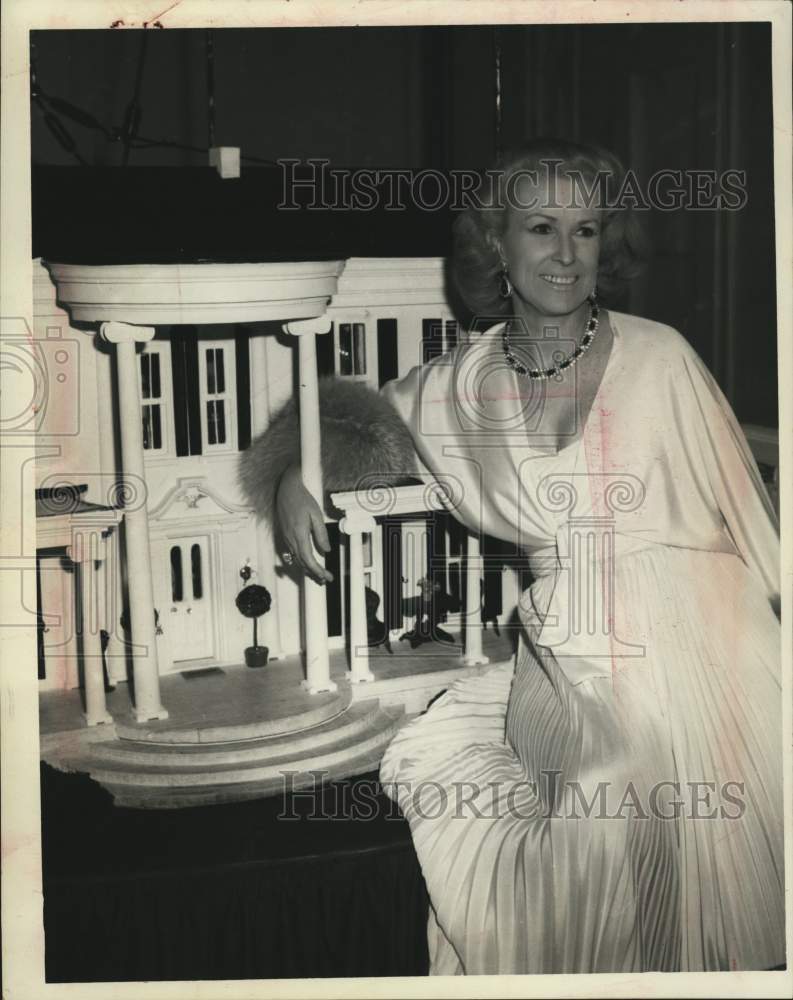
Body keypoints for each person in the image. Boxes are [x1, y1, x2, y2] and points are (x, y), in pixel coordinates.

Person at [242, 139, 784, 974]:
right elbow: (349, 424)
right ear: (496, 243)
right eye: (540, 227)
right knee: (607, 782)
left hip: (708, 628)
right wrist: (289, 472)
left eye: (587, 229)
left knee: (658, 784)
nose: (566, 254)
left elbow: (747, 509)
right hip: (567, 646)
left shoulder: (660, 353)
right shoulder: (457, 385)